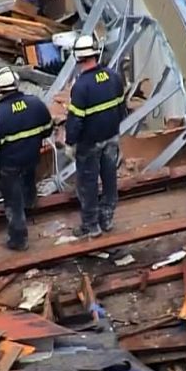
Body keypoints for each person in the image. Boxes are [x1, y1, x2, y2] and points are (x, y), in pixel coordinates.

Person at [0, 67, 53, 251]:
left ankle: (18, 240)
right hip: (31, 158)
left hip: (9, 166)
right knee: (29, 184)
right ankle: (30, 207)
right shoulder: (35, 104)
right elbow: (48, 129)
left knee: (13, 203)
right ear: (16, 84)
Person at [66, 34, 125, 238]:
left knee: (88, 184)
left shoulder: (81, 87)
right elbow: (122, 109)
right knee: (109, 179)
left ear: (78, 58)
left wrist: (70, 142)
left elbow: (75, 120)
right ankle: (106, 218)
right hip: (111, 139)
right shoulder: (114, 77)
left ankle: (91, 225)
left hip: (89, 144)